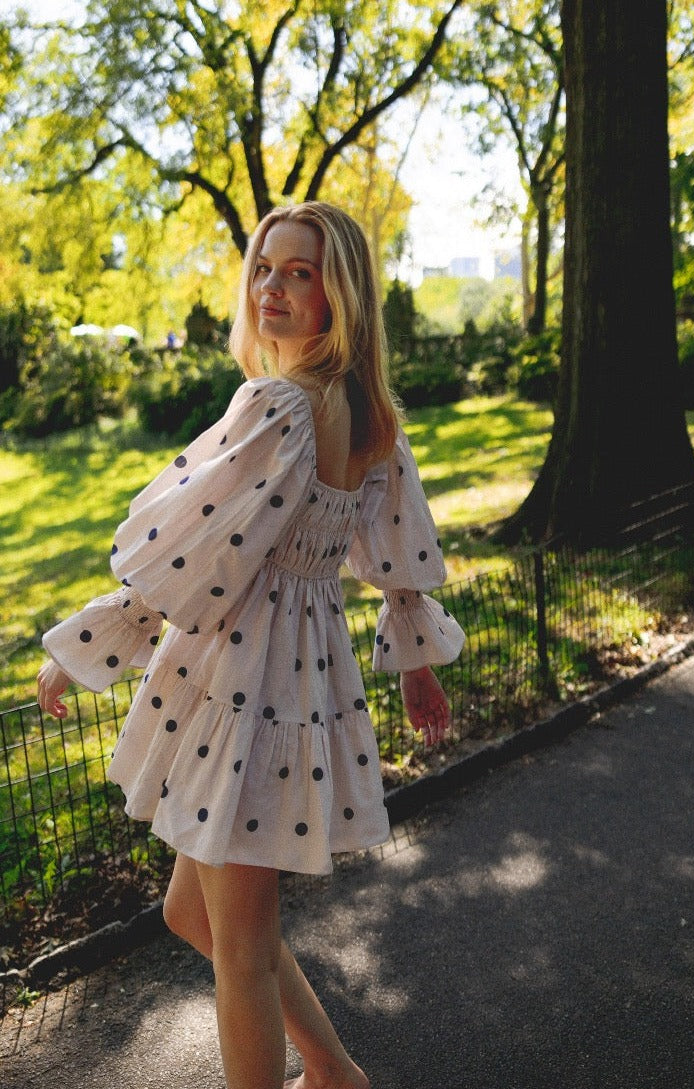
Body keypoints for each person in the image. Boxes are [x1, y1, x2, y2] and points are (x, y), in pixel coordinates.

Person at [37, 201, 465, 1089]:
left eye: (299, 273)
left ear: (336, 294)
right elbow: (395, 543)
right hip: (290, 680)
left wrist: (87, 645)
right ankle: (334, 1069)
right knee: (193, 913)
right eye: (265, 267)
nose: (272, 286)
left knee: (237, 944)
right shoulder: (363, 406)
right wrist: (413, 658)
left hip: (248, 688)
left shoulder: (282, 404)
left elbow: (191, 544)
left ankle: (326, 1071)